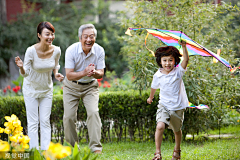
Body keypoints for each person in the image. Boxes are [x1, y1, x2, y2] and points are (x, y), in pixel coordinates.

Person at [15, 21, 64, 150]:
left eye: (52, 34)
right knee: (33, 122)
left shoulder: (56, 50)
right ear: (39, 35)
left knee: (45, 121)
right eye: (47, 34)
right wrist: (21, 67)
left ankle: (46, 151)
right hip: (31, 89)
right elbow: (25, 74)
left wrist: (56, 74)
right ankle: (34, 152)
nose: (51, 37)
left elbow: (55, 65)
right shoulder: (31, 51)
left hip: (47, 89)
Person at [63, 24, 105, 153]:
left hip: (90, 87)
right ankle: (72, 148)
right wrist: (84, 72)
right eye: (85, 36)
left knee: (93, 113)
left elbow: (101, 73)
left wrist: (94, 73)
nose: (88, 39)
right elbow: (69, 75)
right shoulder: (71, 50)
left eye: (91, 36)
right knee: (69, 116)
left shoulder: (99, 50)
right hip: (71, 87)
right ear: (80, 37)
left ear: (95, 38)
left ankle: (96, 148)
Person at [147, 41, 189, 160]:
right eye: (164, 60)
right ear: (160, 61)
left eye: (170, 60)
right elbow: (154, 86)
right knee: (160, 126)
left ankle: (177, 150)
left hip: (178, 106)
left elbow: (186, 61)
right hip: (163, 105)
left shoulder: (178, 72)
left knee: (176, 130)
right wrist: (151, 97)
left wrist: (184, 47)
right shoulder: (158, 75)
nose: (167, 63)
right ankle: (157, 153)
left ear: (175, 61)